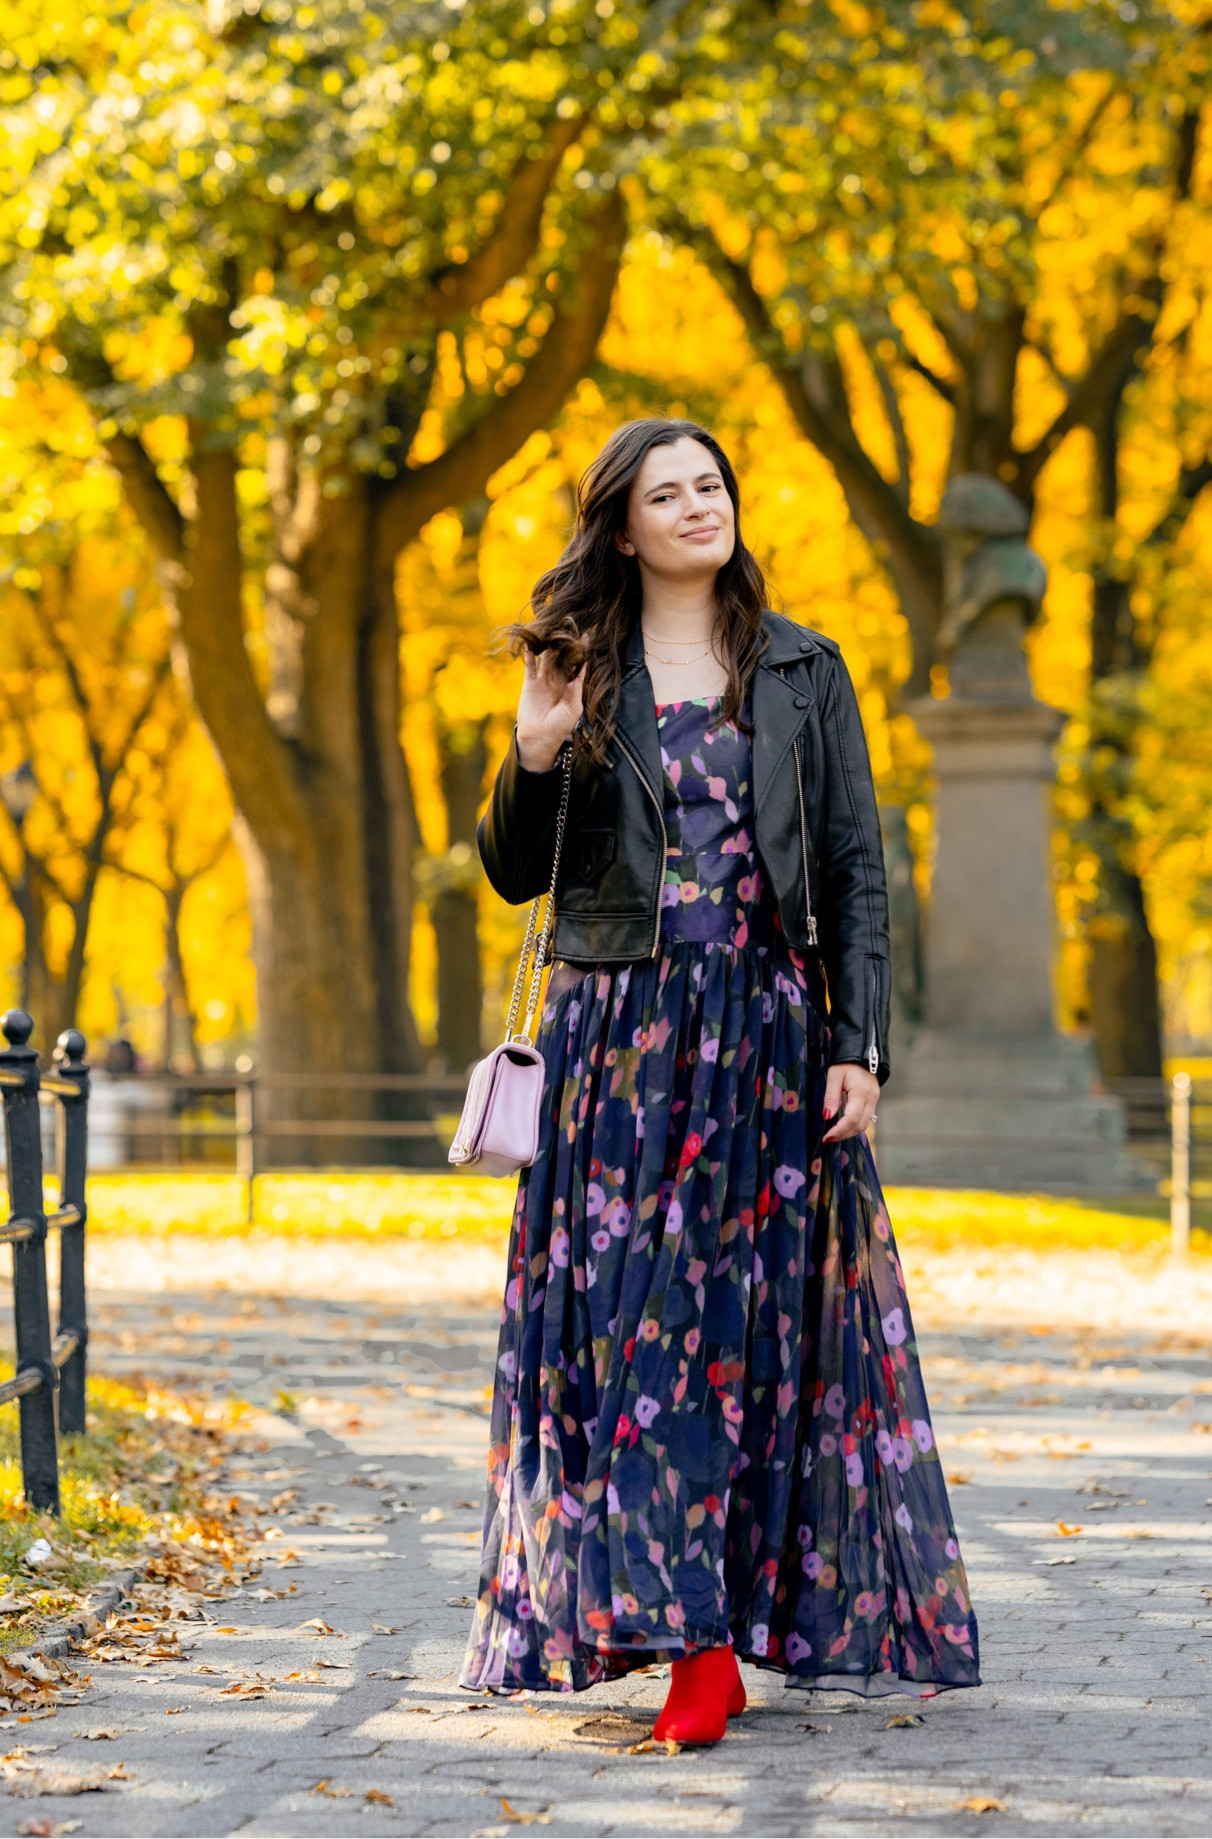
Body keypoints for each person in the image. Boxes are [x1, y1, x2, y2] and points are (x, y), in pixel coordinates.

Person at [460, 419, 978, 1743]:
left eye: (711, 485)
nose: (698, 506)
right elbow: (514, 873)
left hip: (765, 1041)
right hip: (621, 1045)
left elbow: (855, 872)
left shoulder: (804, 669)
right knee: (635, 1333)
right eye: (666, 493)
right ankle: (682, 1635)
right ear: (623, 529)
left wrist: (859, 1045)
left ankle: (716, 1633)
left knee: (747, 1339)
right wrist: (533, 751)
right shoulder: (580, 668)